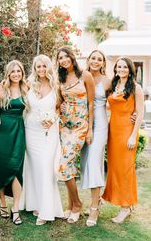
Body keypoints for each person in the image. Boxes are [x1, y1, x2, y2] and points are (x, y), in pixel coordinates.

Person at [20, 55, 64, 225]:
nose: (41, 70)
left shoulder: (56, 85)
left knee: (46, 167)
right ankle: (36, 203)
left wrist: (53, 119)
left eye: (44, 66)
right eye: (38, 67)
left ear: (49, 67)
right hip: (31, 131)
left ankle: (46, 211)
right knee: (34, 168)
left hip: (49, 131)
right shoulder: (29, 84)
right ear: (34, 68)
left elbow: (59, 108)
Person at [102, 57, 144, 223]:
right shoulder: (114, 85)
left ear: (130, 69)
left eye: (125, 67)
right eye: (119, 66)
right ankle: (128, 203)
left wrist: (133, 135)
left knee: (126, 170)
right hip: (114, 130)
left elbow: (139, 113)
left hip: (127, 131)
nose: (121, 69)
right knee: (115, 169)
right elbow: (109, 104)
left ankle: (126, 207)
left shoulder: (135, 87)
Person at [56, 46, 94, 223]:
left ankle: (77, 204)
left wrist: (90, 129)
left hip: (80, 127)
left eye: (66, 56)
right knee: (68, 166)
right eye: (60, 58)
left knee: (64, 165)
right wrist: (59, 107)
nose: (63, 60)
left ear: (72, 57)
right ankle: (70, 206)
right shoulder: (60, 78)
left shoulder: (85, 76)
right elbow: (59, 102)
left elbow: (91, 104)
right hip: (65, 127)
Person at [0, 60, 28, 225]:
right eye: (12, 71)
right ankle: (3, 204)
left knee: (16, 168)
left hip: (18, 131)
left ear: (22, 73)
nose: (16, 74)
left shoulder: (26, 89)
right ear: (8, 73)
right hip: (0, 133)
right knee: (0, 167)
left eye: (18, 71)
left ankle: (16, 208)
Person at [80, 50, 111, 226]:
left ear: (103, 62)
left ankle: (94, 209)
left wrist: (132, 114)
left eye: (100, 59)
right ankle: (96, 200)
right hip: (84, 123)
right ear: (88, 60)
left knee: (93, 162)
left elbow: (121, 97)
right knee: (85, 163)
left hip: (99, 125)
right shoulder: (81, 77)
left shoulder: (107, 81)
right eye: (93, 58)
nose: (96, 61)